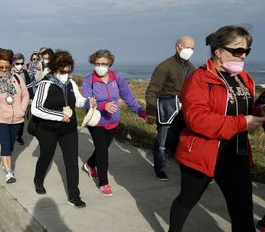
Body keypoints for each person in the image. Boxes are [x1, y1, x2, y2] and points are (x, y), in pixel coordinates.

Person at [168, 26, 265, 232]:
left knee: (243, 210)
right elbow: (197, 119)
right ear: (218, 51)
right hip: (203, 153)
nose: (243, 56)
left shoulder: (243, 78)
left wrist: (259, 110)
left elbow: (243, 109)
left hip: (236, 153)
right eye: (237, 51)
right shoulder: (199, 79)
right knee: (187, 200)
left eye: (247, 51)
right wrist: (243, 122)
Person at [81, 50, 147, 196]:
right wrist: (103, 106)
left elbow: (128, 97)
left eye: (103, 64)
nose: (100, 66)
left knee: (101, 148)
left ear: (109, 63)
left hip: (113, 121)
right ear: (93, 63)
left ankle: (90, 164)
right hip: (97, 121)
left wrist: (140, 111)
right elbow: (86, 102)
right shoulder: (88, 80)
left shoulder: (116, 77)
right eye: (97, 63)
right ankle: (104, 183)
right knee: (103, 151)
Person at [31, 50, 88, 208]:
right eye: (63, 71)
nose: (67, 74)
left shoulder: (71, 83)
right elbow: (36, 109)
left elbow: (78, 101)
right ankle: (38, 179)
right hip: (48, 129)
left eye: (70, 71)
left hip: (69, 129)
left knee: (71, 162)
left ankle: (74, 196)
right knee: (46, 157)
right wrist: (59, 116)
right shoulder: (45, 84)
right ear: (55, 69)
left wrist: (89, 102)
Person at [145, 36, 196, 181]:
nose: (190, 51)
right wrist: (151, 111)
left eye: (192, 48)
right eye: (187, 47)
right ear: (178, 47)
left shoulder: (192, 67)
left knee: (186, 142)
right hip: (167, 110)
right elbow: (152, 90)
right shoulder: (165, 66)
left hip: (186, 111)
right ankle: (159, 168)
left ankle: (191, 170)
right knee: (162, 142)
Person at [0, 49, 29, 183]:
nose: (3, 69)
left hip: (17, 119)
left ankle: (6, 162)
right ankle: (9, 172)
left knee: (10, 146)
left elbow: (26, 95)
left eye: (7, 67)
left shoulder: (16, 77)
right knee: (5, 144)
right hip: (0, 118)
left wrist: (22, 109)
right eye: (0, 66)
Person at [12, 52, 34, 145]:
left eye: (21, 63)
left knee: (21, 118)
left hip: (23, 100)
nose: (19, 65)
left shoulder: (25, 72)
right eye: (17, 63)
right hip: (12, 100)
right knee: (12, 118)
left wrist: (31, 98)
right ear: (13, 63)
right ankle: (12, 134)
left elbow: (29, 86)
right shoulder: (10, 73)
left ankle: (19, 136)